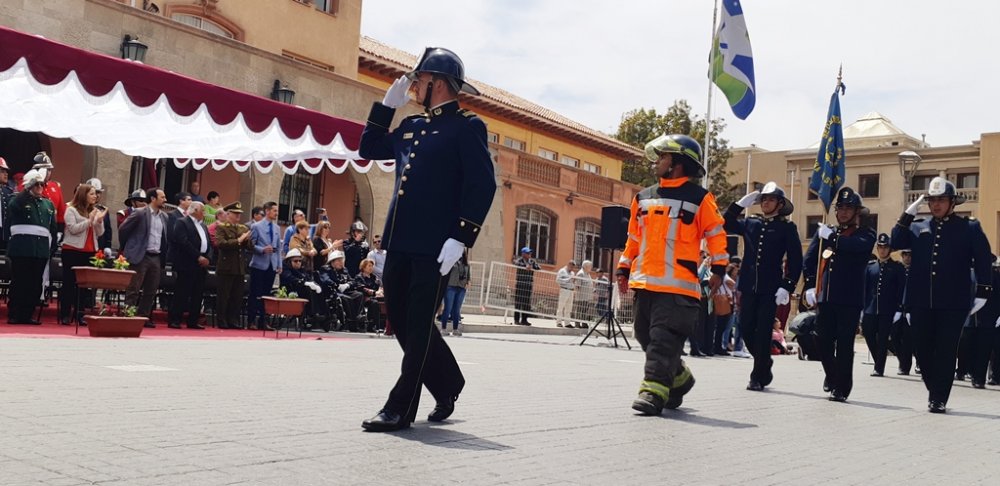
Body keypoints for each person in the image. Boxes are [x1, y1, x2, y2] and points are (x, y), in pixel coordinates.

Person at [357, 47, 496, 432]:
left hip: (436, 247)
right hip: (400, 241)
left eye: (418, 80)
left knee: (417, 324)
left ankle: (399, 408)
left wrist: (461, 236)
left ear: (436, 82)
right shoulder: (411, 126)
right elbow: (368, 149)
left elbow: (481, 184)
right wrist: (386, 108)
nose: (413, 86)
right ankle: (448, 381)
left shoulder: (467, 126)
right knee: (402, 323)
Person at [617, 134, 728, 416]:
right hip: (645, 282)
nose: (657, 161)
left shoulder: (700, 198)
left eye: (663, 157)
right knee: (644, 335)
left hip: (679, 289)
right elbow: (633, 238)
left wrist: (718, 268)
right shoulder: (643, 197)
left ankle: (652, 392)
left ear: (677, 163)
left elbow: (716, 234)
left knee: (662, 338)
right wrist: (623, 267)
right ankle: (679, 377)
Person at [891, 176, 992, 413]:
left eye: (941, 200)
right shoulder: (917, 227)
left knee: (946, 350)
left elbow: (983, 258)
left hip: (953, 302)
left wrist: (983, 291)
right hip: (920, 300)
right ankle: (934, 388)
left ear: (952, 202)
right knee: (922, 349)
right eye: (932, 200)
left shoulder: (969, 227)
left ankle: (938, 399)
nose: (936, 205)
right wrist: (907, 214)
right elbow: (895, 242)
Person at [723, 182, 802, 390]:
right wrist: (738, 205)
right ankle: (765, 361)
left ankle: (757, 376)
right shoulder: (751, 223)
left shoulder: (787, 228)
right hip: (749, 286)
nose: (766, 202)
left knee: (763, 331)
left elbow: (795, 260)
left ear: (780, 203)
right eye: (764, 199)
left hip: (770, 288)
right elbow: (724, 223)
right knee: (746, 327)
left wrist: (787, 285)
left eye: (771, 199)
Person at [803, 187, 877, 403]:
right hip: (826, 296)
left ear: (857, 212)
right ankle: (832, 374)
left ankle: (841, 388)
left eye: (849, 208)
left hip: (849, 299)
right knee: (821, 340)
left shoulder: (865, 234)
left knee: (844, 344)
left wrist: (832, 238)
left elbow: (856, 247)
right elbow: (810, 260)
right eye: (841, 208)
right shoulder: (827, 232)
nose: (844, 212)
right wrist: (809, 285)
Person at [5, 169, 57, 324]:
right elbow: (13, 207)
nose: (40, 187)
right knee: (20, 282)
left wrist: (52, 247)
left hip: (40, 250)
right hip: (22, 249)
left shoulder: (48, 204)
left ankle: (28, 314)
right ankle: (14, 313)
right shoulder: (19, 199)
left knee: (35, 284)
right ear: (29, 186)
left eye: (42, 184)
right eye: (36, 184)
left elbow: (52, 228)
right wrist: (26, 190)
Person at [118, 187, 169, 328]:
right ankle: (128, 316)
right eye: (162, 197)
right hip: (140, 255)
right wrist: (130, 247)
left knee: (151, 290)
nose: (165, 200)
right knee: (133, 288)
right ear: (153, 198)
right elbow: (123, 229)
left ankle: (143, 317)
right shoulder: (140, 213)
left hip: (156, 256)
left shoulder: (164, 217)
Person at [59, 183, 107, 324]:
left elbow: (100, 233)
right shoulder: (71, 210)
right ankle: (65, 314)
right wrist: (90, 220)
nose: (95, 196)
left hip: (90, 251)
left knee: (84, 286)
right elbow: (73, 229)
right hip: (72, 250)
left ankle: (80, 314)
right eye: (92, 193)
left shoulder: (94, 210)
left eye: (95, 194)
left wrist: (98, 221)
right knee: (69, 284)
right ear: (83, 195)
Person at [861, 233, 906, 377]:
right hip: (870, 308)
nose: (882, 250)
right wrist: (862, 308)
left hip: (888, 309)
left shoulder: (897, 268)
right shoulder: (870, 267)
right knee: (868, 334)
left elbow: (901, 290)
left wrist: (899, 309)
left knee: (882, 338)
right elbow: (865, 289)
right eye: (880, 247)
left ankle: (879, 368)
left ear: (890, 249)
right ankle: (878, 361)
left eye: (885, 247)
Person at [165, 201, 211, 329]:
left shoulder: (203, 226)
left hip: (201, 265)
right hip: (187, 262)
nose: (205, 213)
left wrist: (207, 258)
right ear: (195, 210)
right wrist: (198, 256)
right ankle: (175, 319)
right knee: (182, 292)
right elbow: (182, 241)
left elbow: (208, 242)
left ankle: (193, 320)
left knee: (197, 294)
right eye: (203, 211)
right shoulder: (182, 222)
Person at [214, 202, 252, 329]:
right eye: (235, 214)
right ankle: (222, 320)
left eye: (239, 214)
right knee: (224, 296)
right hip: (226, 266)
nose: (238, 216)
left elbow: (249, 247)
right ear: (228, 214)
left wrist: (248, 240)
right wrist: (239, 240)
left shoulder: (242, 228)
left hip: (239, 266)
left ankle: (233, 320)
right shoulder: (222, 227)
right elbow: (221, 244)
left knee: (237, 296)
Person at [249, 201, 283, 331]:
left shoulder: (276, 228)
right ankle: (252, 320)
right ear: (267, 211)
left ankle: (264, 321)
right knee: (255, 293)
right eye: (274, 210)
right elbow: (251, 245)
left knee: (266, 294)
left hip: (271, 264)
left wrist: (279, 264)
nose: (276, 213)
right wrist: (262, 249)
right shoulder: (256, 226)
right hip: (259, 264)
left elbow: (279, 248)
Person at [280, 249, 328, 331]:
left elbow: (307, 277)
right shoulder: (285, 269)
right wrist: (304, 283)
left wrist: (314, 284)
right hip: (290, 290)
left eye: (300, 261)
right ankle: (312, 314)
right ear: (289, 261)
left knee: (320, 289)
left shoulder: (301, 270)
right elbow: (289, 278)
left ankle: (323, 314)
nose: (298, 263)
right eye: (295, 261)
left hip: (301, 289)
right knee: (308, 290)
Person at [892, 249, 915, 375]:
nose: (907, 257)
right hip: (897, 308)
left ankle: (905, 366)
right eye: (905, 255)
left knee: (908, 339)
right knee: (895, 336)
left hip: (910, 309)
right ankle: (902, 360)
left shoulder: (917, 271)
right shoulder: (898, 269)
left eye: (909, 255)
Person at [31, 152, 65, 234]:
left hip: (52, 227)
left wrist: (60, 229)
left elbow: (61, 210)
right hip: (35, 225)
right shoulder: (29, 186)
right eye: (46, 169)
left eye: (49, 170)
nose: (48, 173)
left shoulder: (55, 186)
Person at [439, 250, 470, 336]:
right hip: (450, 287)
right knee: (448, 308)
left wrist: (468, 282)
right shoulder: (450, 261)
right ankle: (443, 329)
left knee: (457, 310)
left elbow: (468, 276)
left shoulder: (466, 264)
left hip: (461, 288)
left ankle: (455, 329)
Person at [512, 247, 540, 325]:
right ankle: (516, 320)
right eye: (528, 253)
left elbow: (538, 267)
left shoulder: (532, 261)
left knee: (526, 303)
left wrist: (532, 267)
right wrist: (525, 267)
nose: (529, 255)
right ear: (523, 254)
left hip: (528, 285)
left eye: (530, 253)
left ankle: (524, 320)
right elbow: (516, 263)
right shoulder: (520, 260)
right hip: (520, 284)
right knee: (518, 302)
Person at [355, 258, 383, 333]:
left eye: (372, 266)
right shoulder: (359, 277)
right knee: (374, 303)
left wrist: (380, 291)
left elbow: (379, 287)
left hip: (375, 297)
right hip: (363, 298)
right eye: (369, 266)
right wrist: (374, 292)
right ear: (363, 267)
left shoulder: (374, 278)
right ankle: (375, 326)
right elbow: (362, 288)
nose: (371, 268)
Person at [85, 178, 113, 251]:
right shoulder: (81, 208)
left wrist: (108, 246)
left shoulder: (103, 210)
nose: (97, 195)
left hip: (99, 248)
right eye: (94, 192)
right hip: (83, 246)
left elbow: (107, 229)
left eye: (98, 192)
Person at [555, 260, 577, 328]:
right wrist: (568, 279)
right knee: (561, 307)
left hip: (571, 291)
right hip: (564, 289)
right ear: (568, 264)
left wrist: (574, 282)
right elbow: (558, 280)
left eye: (573, 267)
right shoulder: (562, 271)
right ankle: (559, 322)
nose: (572, 268)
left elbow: (573, 282)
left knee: (569, 308)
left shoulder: (572, 273)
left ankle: (567, 323)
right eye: (571, 266)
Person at [573, 260, 594, 329]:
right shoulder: (581, 274)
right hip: (581, 297)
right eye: (590, 266)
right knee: (579, 310)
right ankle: (577, 324)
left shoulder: (587, 274)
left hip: (587, 297)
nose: (591, 267)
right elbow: (577, 286)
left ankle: (584, 323)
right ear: (585, 266)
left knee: (585, 311)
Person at [0, 157, 14, 252]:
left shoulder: (8, 192)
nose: (6, 174)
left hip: (4, 235)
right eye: (2, 171)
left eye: (6, 171)